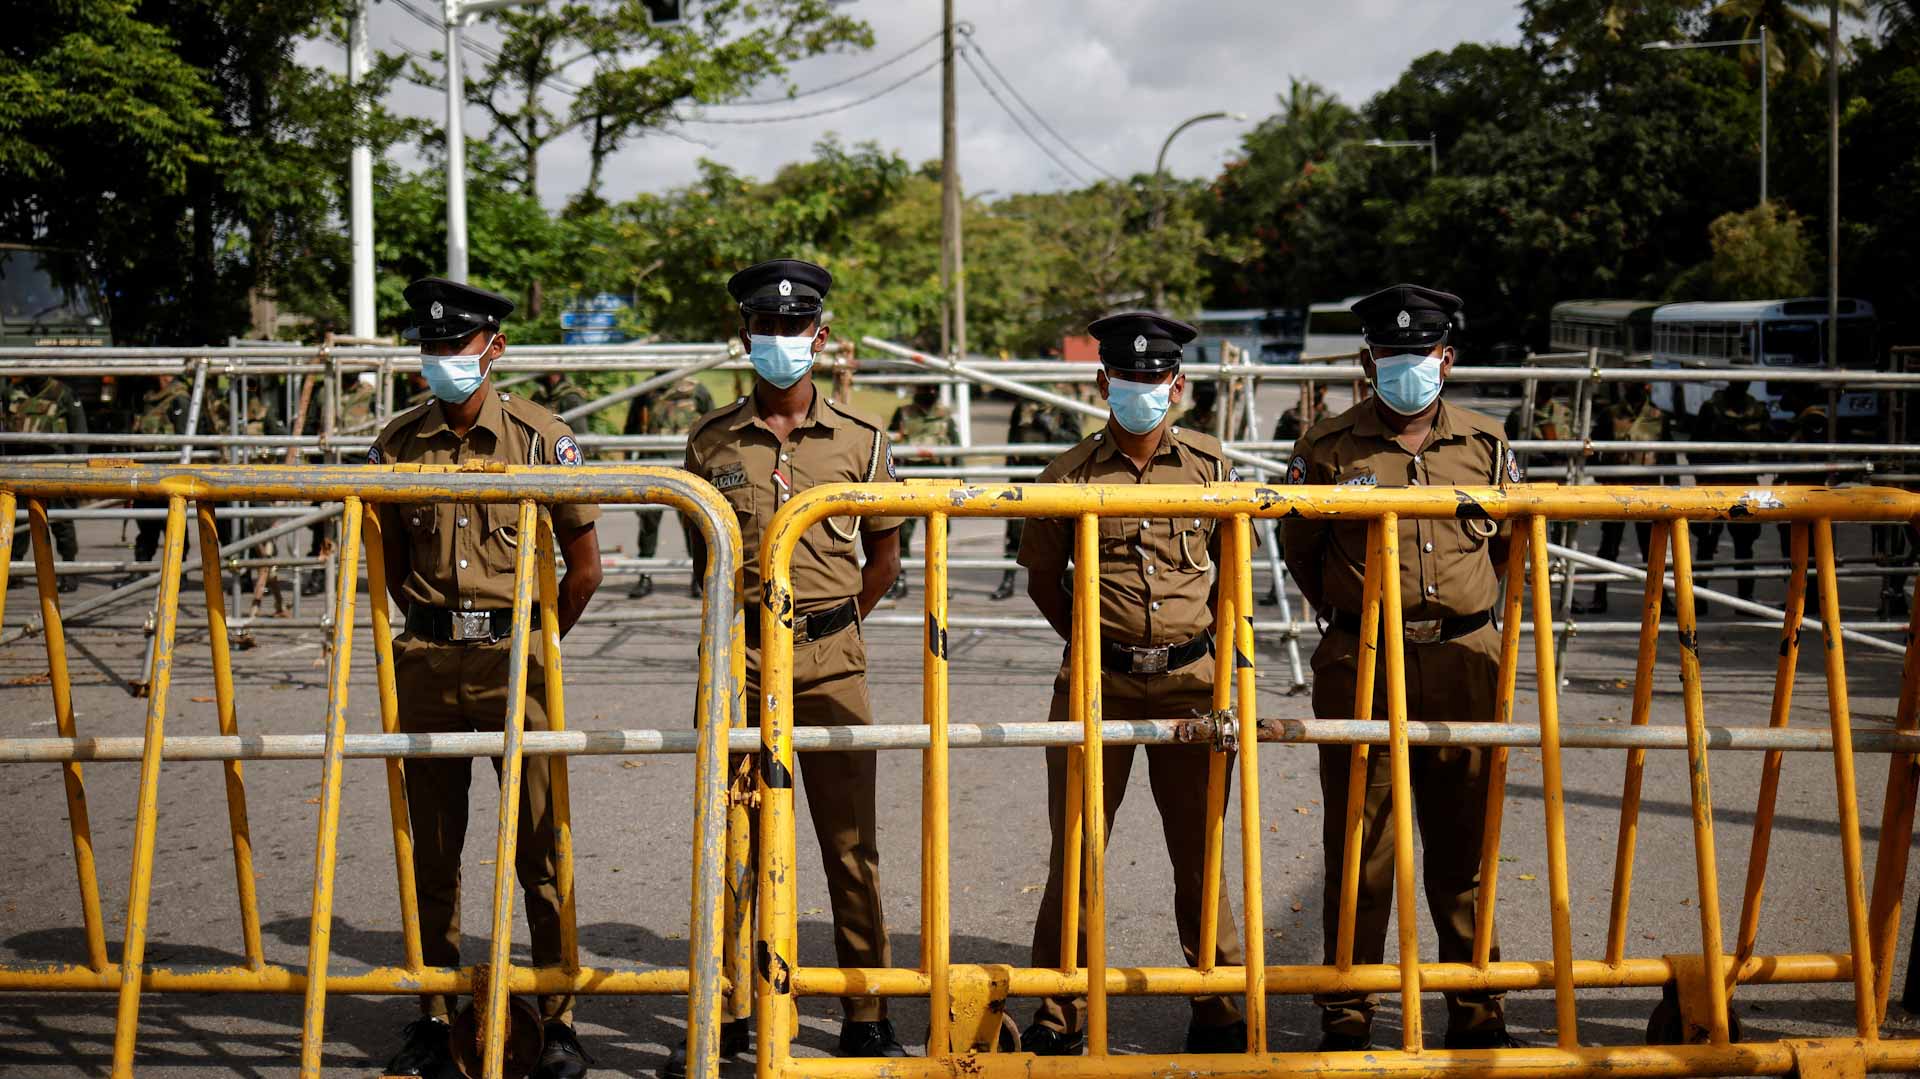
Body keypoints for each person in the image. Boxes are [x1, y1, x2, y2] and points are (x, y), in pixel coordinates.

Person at [675, 258, 905, 1073]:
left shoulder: (864, 441)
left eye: (794, 327)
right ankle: (731, 1006)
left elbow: (885, 557)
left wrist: (827, 628)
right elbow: (700, 559)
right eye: (766, 328)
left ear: (821, 334)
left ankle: (865, 1007)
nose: (781, 341)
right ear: (745, 338)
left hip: (830, 656)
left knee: (849, 844)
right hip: (736, 658)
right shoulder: (709, 442)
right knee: (730, 838)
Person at [370, 277, 603, 1079]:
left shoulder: (542, 440)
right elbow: (393, 565)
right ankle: (434, 1013)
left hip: (520, 665)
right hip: (429, 664)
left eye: (455, 346)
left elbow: (584, 567)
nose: (441, 361)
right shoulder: (397, 446)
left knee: (544, 848)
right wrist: (442, 627)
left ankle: (561, 1016)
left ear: (493, 349)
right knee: (430, 852)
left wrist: (532, 641)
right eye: (430, 347)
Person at [1283, 284, 1524, 1051]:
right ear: (1367, 362)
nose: (1404, 369)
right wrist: (1358, 615)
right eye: (1390, 357)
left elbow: (1513, 546)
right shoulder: (1327, 446)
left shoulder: (1486, 444)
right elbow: (1302, 554)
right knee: (1361, 846)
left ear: (1445, 360)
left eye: (1417, 356)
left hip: (1465, 659)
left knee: (1463, 846)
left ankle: (1474, 1009)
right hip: (1363, 657)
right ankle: (1348, 1010)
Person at [1016, 312, 1247, 1057]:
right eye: (1128, 377)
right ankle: (1057, 1006)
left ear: (1177, 384)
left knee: (1201, 846)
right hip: (1097, 682)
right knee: (1078, 849)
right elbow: (1045, 581)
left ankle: (1218, 1001)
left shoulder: (1212, 468)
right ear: (1102, 382)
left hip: (1193, 682)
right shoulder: (1068, 473)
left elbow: (1235, 576)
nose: (1142, 388)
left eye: (1156, 377)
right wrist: (1096, 644)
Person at [1574, 379, 1669, 614]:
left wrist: (1673, 487)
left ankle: (1661, 599)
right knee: (1609, 547)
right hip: (1617, 489)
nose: (1635, 389)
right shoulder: (1611, 414)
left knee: (1652, 548)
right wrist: (1600, 476)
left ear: (1647, 388)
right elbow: (1594, 446)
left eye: (1639, 385)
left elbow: (1667, 454)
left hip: (1648, 491)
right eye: (1632, 386)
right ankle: (1600, 597)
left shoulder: (1658, 416)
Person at [624, 375, 713, 599]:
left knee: (692, 522)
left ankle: (697, 576)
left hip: (685, 464)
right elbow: (631, 431)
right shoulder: (646, 392)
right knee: (648, 522)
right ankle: (645, 575)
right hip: (652, 464)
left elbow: (712, 429)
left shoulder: (697, 390)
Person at [992, 385, 1083, 601]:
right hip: (1023, 476)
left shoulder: (1063, 406)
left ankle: (1070, 582)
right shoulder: (1023, 406)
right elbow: (1013, 438)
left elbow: (1075, 440)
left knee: (1060, 533)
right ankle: (1008, 580)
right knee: (1016, 532)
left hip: (1051, 476)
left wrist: (1051, 428)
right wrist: (1011, 468)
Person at [1690, 380, 1771, 609]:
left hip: (1744, 484)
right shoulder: (1712, 407)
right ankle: (1698, 600)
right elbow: (1695, 447)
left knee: (1744, 546)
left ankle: (1745, 601)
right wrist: (1702, 481)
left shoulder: (1757, 410)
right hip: (1714, 484)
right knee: (1706, 545)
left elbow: (1767, 446)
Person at [3, 375, 89, 591]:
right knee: (17, 520)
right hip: (19, 466)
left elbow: (79, 432)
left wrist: (77, 469)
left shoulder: (63, 393)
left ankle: (69, 570)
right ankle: (14, 570)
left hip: (52, 466)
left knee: (61, 521)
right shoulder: (12, 392)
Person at [884, 383, 960, 598]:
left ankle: (938, 582)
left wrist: (961, 481)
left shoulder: (945, 416)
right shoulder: (904, 413)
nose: (930, 393)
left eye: (933, 389)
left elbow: (956, 448)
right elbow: (889, 445)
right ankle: (900, 580)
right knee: (902, 533)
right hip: (909, 477)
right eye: (925, 389)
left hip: (939, 479)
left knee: (939, 534)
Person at [129, 374, 199, 579]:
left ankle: (179, 574)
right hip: (146, 474)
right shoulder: (150, 399)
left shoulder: (179, 399)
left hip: (169, 475)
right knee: (146, 524)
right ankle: (140, 569)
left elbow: (186, 438)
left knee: (174, 525)